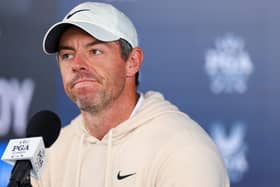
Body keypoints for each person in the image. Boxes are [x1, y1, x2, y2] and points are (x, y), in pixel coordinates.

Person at [32, 1, 230, 187]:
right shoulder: (52, 151)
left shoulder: (185, 150)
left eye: (95, 51)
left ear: (132, 62)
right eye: (67, 55)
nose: (77, 65)